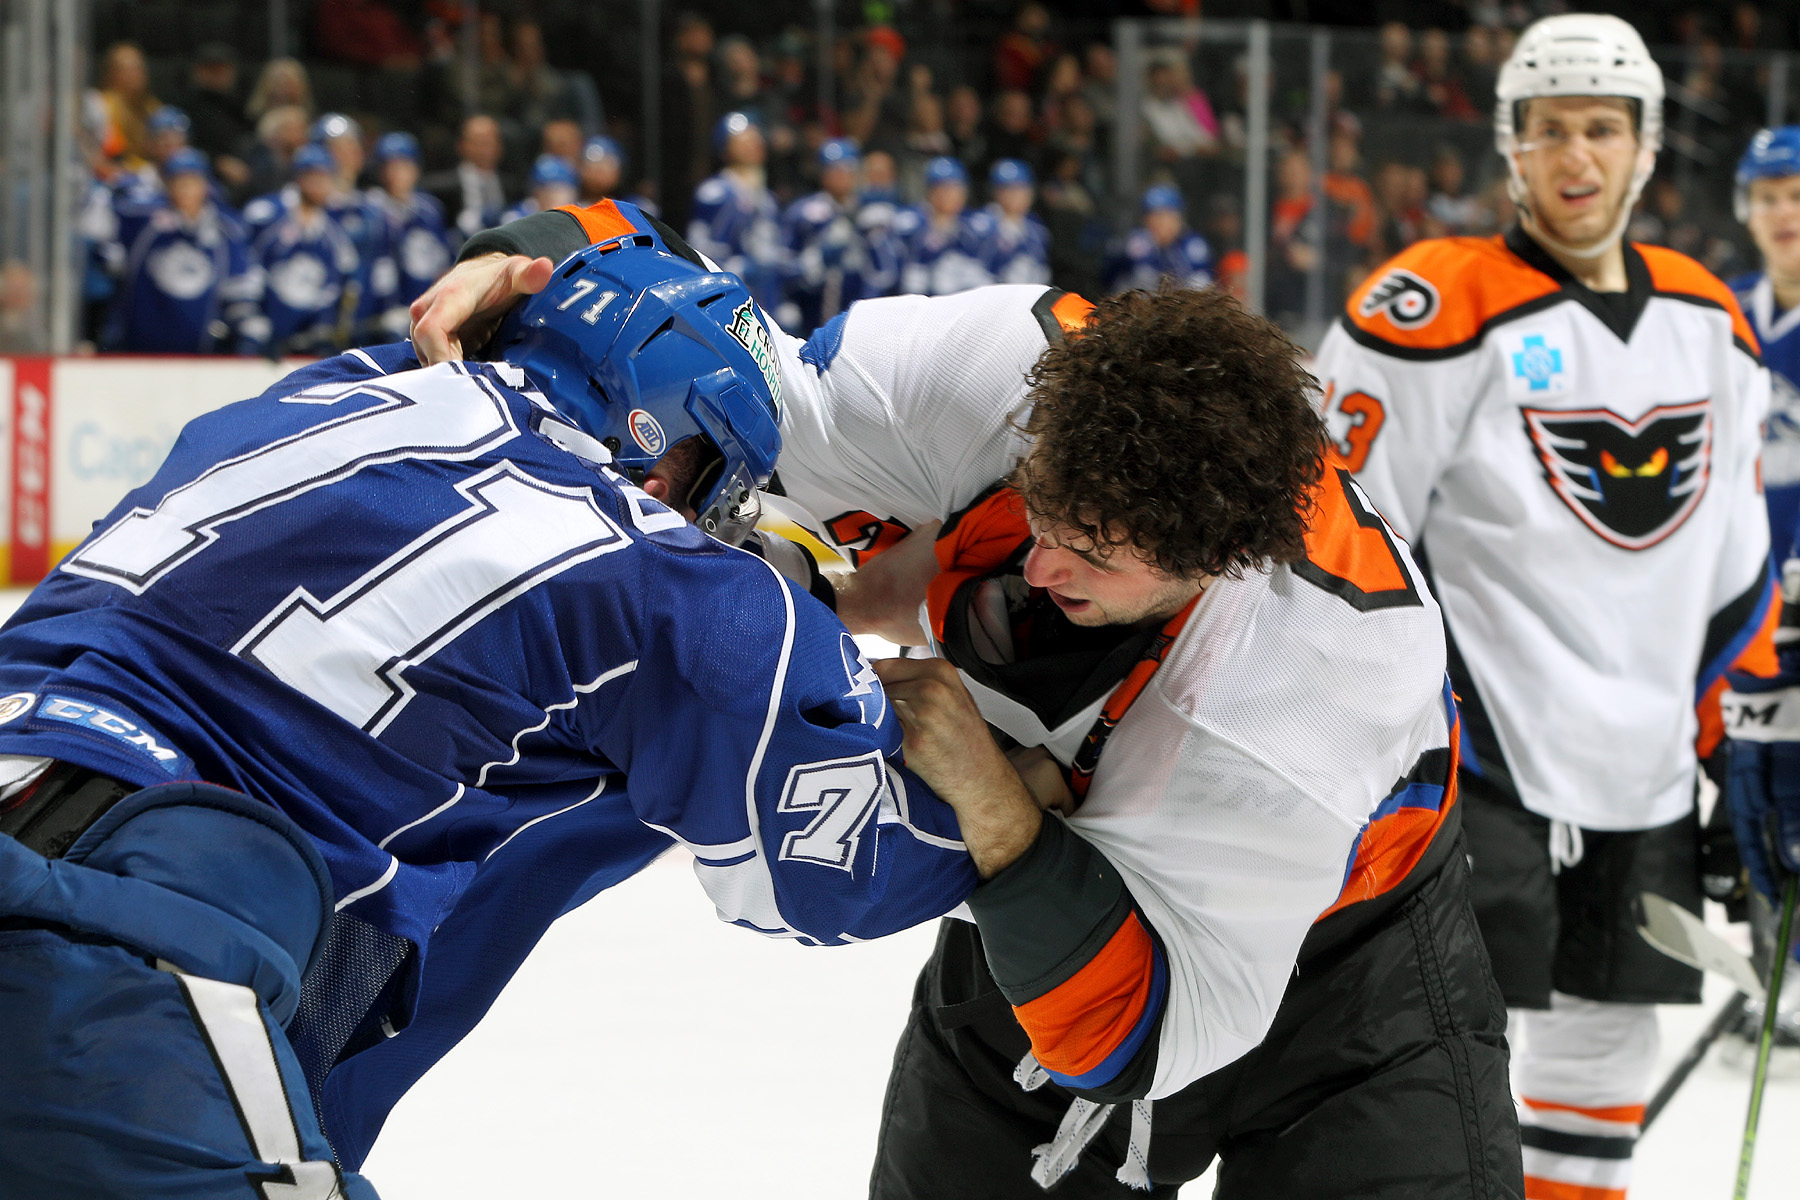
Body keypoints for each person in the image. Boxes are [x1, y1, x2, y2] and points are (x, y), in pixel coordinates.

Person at [406, 200, 1523, 1198]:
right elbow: (725, 371)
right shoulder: (1008, 369)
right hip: (1050, 886)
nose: (1040, 567)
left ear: (1210, 560)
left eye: (1091, 555)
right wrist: (538, 265)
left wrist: (1000, 810)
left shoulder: (1288, 701)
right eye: (1043, 515)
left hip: (1344, 964)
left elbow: (1145, 1029)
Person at [0, 204, 980, 1197]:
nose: (708, 518)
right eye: (711, 480)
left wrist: (520, 262)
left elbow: (502, 344)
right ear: (664, 441)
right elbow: (826, 876)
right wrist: (1008, 788)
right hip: (125, 946)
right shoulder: (664, 573)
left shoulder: (313, 398)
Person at [1309, 17, 1776, 1200]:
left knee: (1606, 1045)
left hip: (1648, 772)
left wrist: (1744, 750)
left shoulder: (1711, 319)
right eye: (1551, 129)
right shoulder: (1431, 305)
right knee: (1426, 1043)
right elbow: (1334, 535)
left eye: (1604, 130)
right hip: (1478, 757)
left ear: (1648, 148)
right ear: (1511, 147)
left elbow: (1738, 564)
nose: (1578, 156)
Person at [102, 148, 259, 354]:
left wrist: (248, 330)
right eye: (178, 181)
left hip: (202, 349)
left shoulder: (227, 228)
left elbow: (239, 286)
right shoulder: (142, 219)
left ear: (205, 185)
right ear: (167, 185)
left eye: (192, 181)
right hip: (140, 346)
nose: (185, 189)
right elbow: (104, 239)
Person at [1731, 126, 1800, 559]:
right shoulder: (1718, 311)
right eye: (1767, 199)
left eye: (1796, 196)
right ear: (1747, 212)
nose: (1782, 213)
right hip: (1741, 570)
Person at [245, 144, 362, 356]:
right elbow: (247, 268)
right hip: (266, 330)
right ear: (298, 177)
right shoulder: (267, 215)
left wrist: (326, 325)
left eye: (325, 178)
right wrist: (251, 317)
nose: (320, 185)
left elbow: (345, 282)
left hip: (308, 338)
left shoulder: (334, 231)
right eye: (313, 177)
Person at [688, 112, 788, 323]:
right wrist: (743, 268)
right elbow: (703, 252)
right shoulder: (716, 193)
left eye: (755, 138)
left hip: (768, 297)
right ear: (725, 148)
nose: (752, 144)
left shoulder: (767, 198)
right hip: (732, 300)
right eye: (742, 140)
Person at [367, 131, 454, 339]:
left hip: (427, 301)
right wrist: (388, 305)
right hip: (384, 310)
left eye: (404, 165)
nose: (397, 173)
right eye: (391, 166)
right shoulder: (370, 208)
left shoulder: (429, 208)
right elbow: (377, 264)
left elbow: (443, 259)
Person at [781, 137, 872, 335]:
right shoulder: (803, 213)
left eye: (847, 169)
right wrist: (818, 259)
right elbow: (786, 269)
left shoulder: (870, 212)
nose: (841, 176)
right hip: (813, 314)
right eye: (834, 169)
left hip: (860, 313)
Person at [890, 156, 994, 297]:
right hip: (917, 305)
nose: (949, 194)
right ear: (930, 190)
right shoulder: (909, 223)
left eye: (955, 188)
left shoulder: (974, 225)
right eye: (943, 188)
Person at [1104, 184, 1212, 295]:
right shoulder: (1135, 243)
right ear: (1145, 220)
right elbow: (1110, 280)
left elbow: (1202, 286)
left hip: (1181, 308)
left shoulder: (1193, 244)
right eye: (1155, 216)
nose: (1162, 222)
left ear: (1179, 218)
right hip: (1137, 308)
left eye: (1167, 215)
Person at [978, 158, 1052, 286]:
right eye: (1008, 189)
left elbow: (1042, 271)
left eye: (1020, 189)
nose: (1015, 195)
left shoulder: (1037, 229)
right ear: (996, 192)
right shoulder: (981, 224)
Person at [503, 154, 580, 223]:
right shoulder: (516, 216)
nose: (551, 196)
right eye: (545, 189)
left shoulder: (581, 215)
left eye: (557, 189)